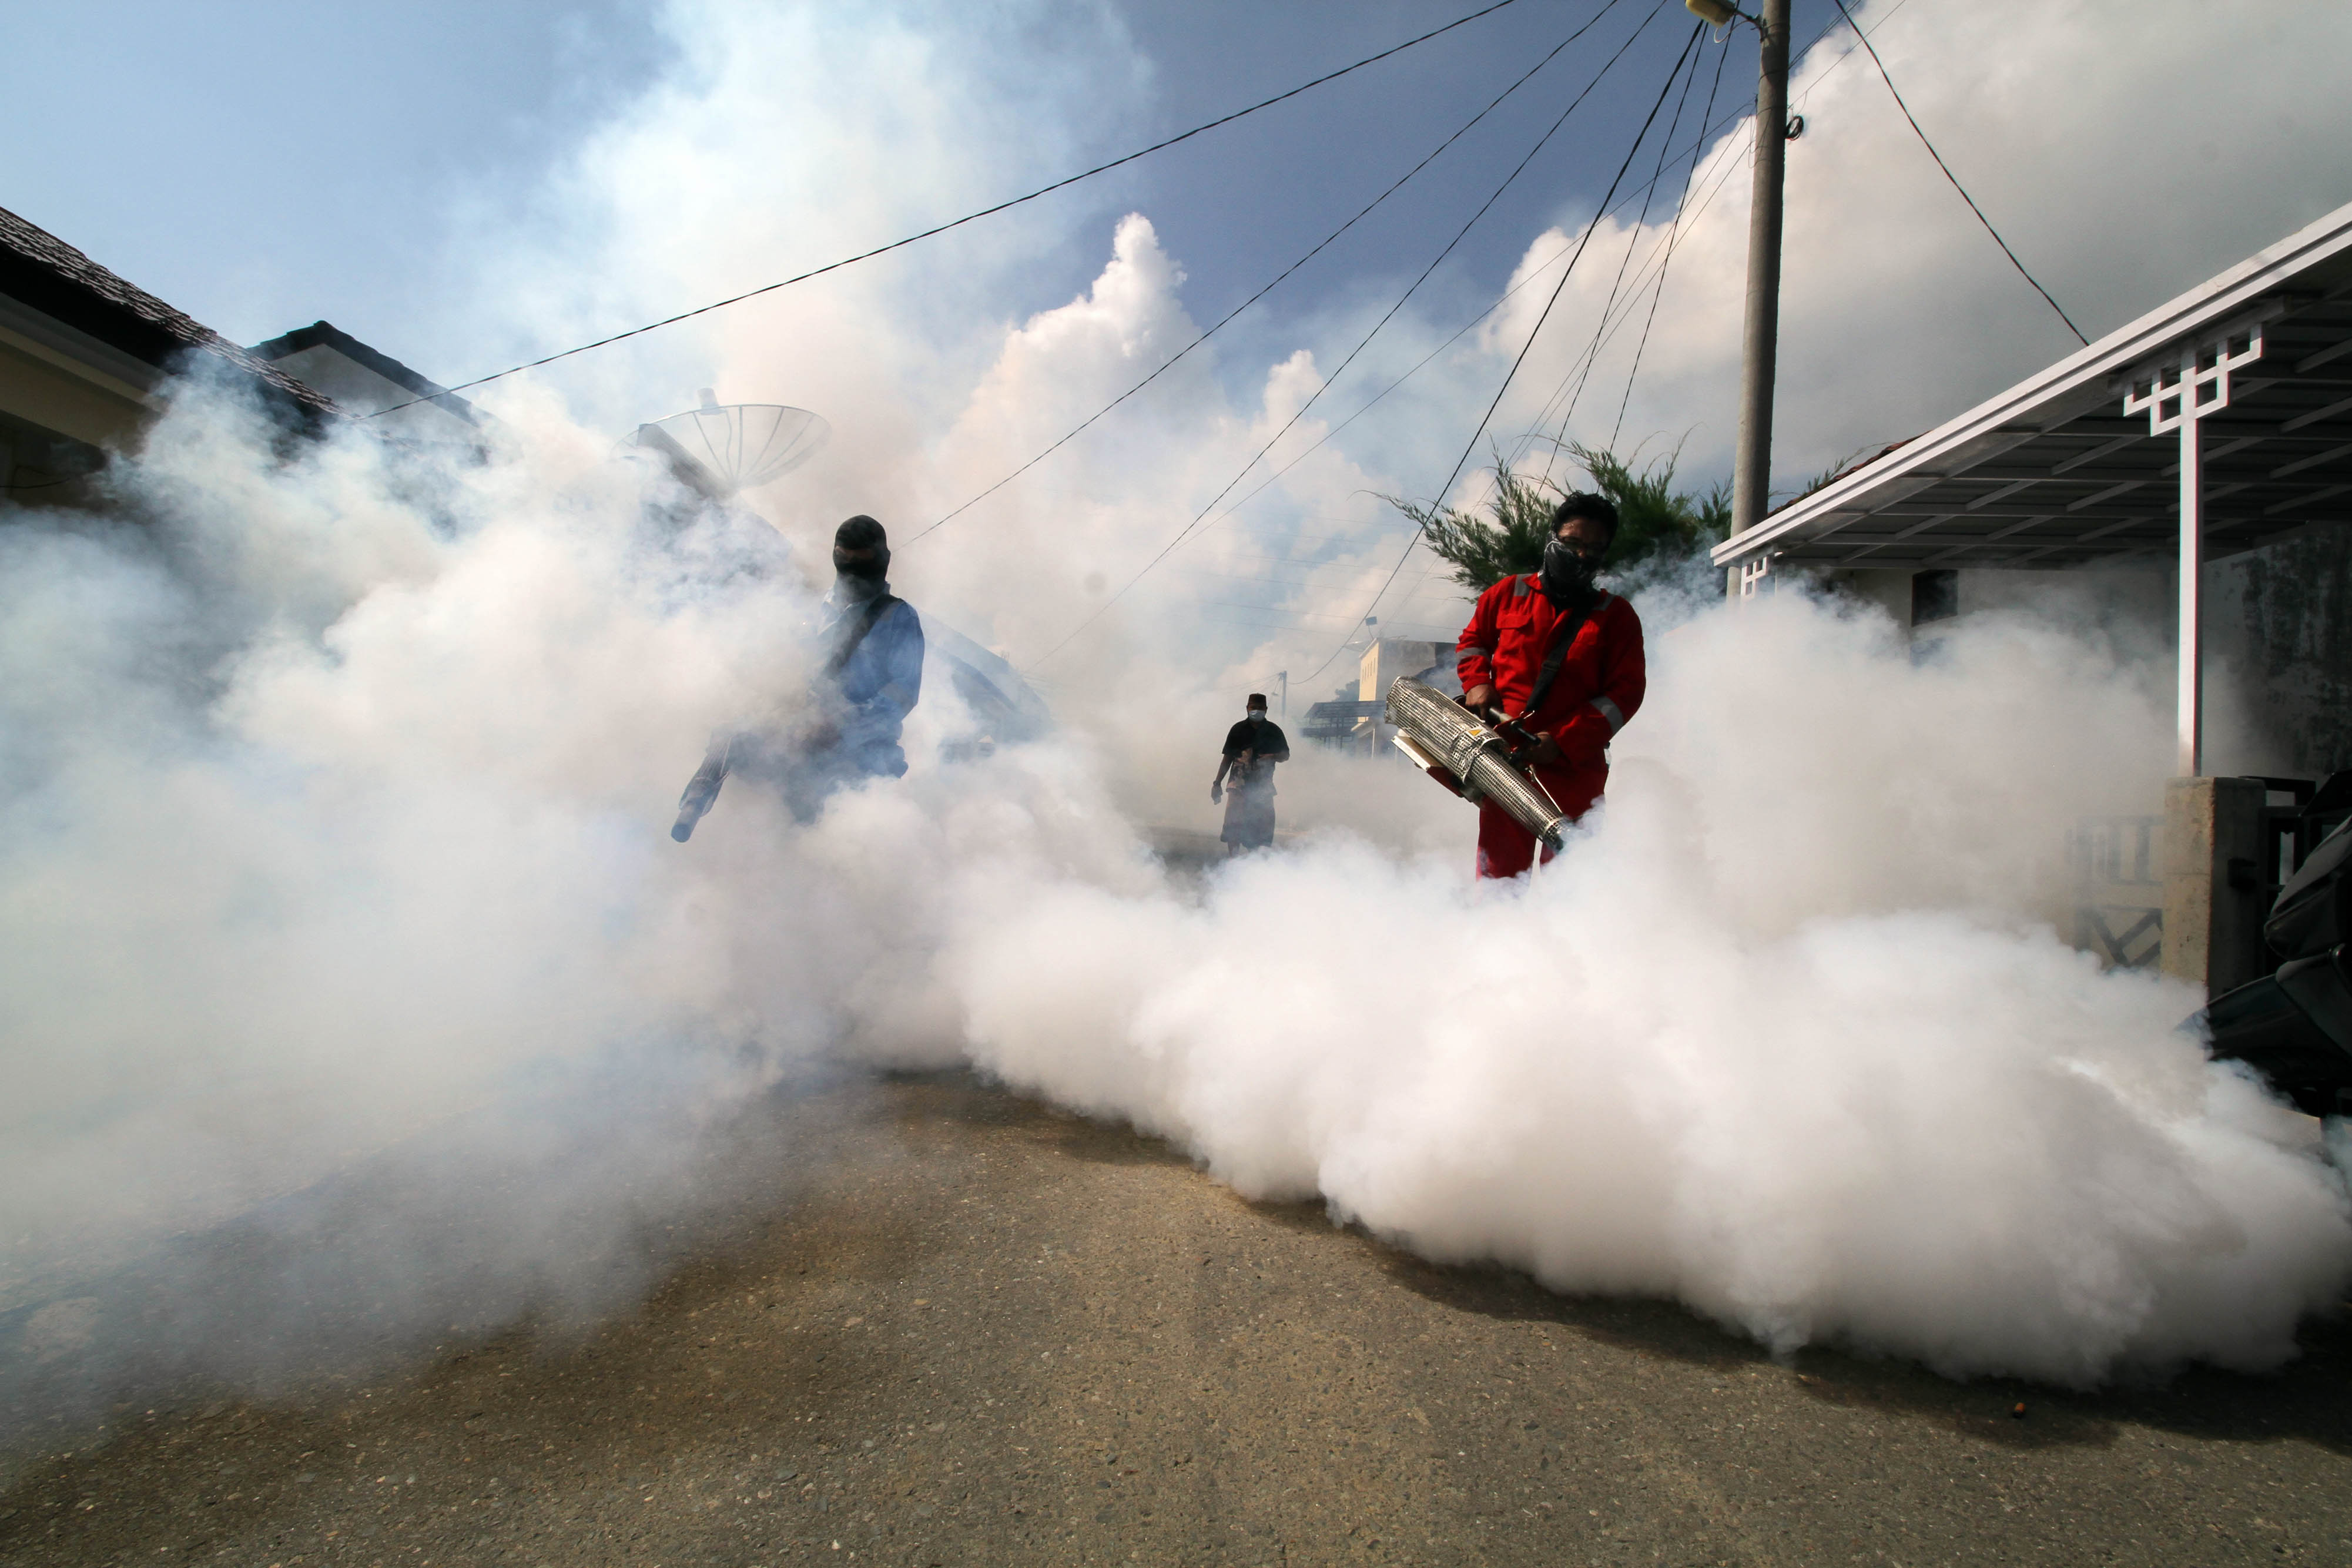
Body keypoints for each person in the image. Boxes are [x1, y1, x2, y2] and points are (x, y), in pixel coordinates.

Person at [671, 514, 925, 839]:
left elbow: (904, 693)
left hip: (860, 767)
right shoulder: (812, 610)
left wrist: (839, 725)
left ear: (882, 561)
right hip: (800, 760)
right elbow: (783, 672)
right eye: (845, 560)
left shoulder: (898, 617)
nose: (852, 572)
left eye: (861, 563)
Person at [1453, 492, 1646, 879]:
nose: (1581, 555)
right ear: (1553, 538)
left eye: (1593, 548)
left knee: (1572, 879)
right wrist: (1476, 683)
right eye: (1572, 543)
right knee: (1500, 878)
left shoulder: (1617, 617)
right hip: (1508, 761)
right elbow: (1472, 643)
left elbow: (1624, 695)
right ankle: (1496, 923)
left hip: (1575, 767)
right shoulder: (1507, 593)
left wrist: (1563, 741)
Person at [1211, 693, 1291, 854]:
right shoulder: (1238, 730)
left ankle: (1255, 863)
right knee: (1234, 825)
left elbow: (1285, 755)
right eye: (1253, 707)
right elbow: (1227, 758)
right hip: (1238, 786)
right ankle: (1234, 860)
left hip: (1263, 788)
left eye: (1260, 708)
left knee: (1262, 829)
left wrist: (1272, 757)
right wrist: (1217, 783)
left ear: (1266, 709)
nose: (1256, 711)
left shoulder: (1274, 731)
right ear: (1247, 708)